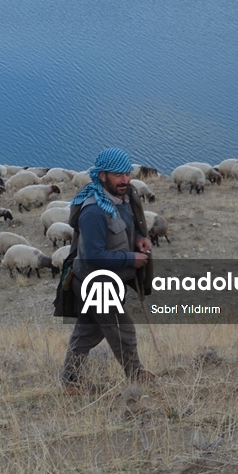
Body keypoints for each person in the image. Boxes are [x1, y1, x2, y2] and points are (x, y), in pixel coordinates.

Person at [60, 147, 155, 394]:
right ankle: (136, 375)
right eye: (118, 175)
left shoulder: (122, 198)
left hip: (110, 280)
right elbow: (93, 256)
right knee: (122, 329)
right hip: (97, 282)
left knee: (88, 331)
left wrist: (139, 240)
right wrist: (129, 259)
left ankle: (70, 381)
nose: (125, 180)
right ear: (102, 176)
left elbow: (123, 230)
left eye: (127, 174)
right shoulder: (93, 211)